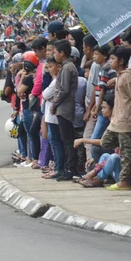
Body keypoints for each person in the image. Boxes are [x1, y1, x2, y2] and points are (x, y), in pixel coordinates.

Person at [100, 46, 131, 191]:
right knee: (106, 141)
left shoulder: (127, 77)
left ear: (121, 60)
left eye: (113, 59)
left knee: (126, 152)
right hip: (117, 120)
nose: (110, 61)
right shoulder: (120, 77)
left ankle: (124, 181)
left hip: (126, 120)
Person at [51, 39, 79, 181]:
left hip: (65, 108)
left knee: (68, 140)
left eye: (55, 52)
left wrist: (54, 104)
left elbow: (63, 89)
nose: (54, 54)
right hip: (63, 108)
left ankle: (70, 168)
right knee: (65, 139)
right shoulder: (66, 66)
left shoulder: (68, 68)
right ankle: (67, 167)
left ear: (62, 53)